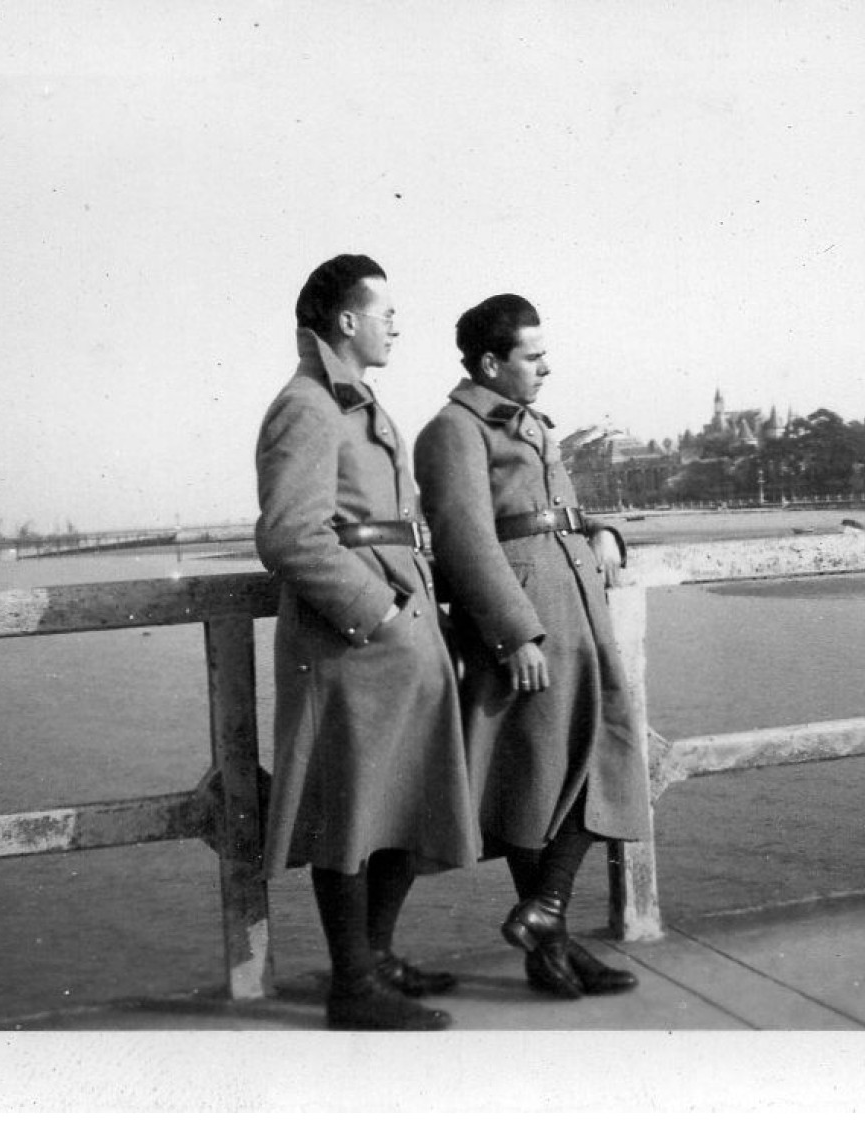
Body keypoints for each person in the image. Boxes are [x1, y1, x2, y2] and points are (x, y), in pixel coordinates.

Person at [254, 254, 480, 1030]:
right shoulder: (308, 406)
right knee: (348, 814)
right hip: (351, 645)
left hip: (395, 636)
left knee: (398, 802)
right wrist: (377, 612)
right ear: (345, 321)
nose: (396, 323)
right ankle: (353, 984)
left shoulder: (354, 403)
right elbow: (289, 534)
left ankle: (375, 959)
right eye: (384, 311)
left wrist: (415, 614)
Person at [413, 293, 650, 1000]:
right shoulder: (454, 430)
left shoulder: (531, 424)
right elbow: (464, 538)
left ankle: (546, 925)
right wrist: (515, 632)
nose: (546, 366)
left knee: (594, 759)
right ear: (491, 362)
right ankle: (548, 928)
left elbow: (549, 511)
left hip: (577, 610)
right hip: (531, 625)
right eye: (532, 355)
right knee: (538, 777)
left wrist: (604, 528)